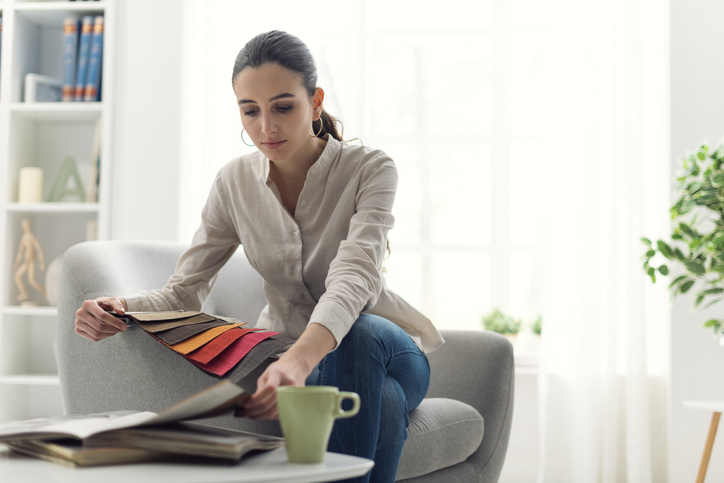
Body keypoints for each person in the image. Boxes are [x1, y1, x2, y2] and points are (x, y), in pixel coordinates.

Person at [73, 30, 444, 483]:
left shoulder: (370, 168)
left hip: (389, 350)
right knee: (380, 403)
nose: (266, 127)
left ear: (316, 101)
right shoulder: (233, 183)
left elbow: (353, 276)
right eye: (250, 111)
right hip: (298, 358)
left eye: (283, 107)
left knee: (359, 333)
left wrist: (298, 359)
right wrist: (121, 307)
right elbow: (186, 291)